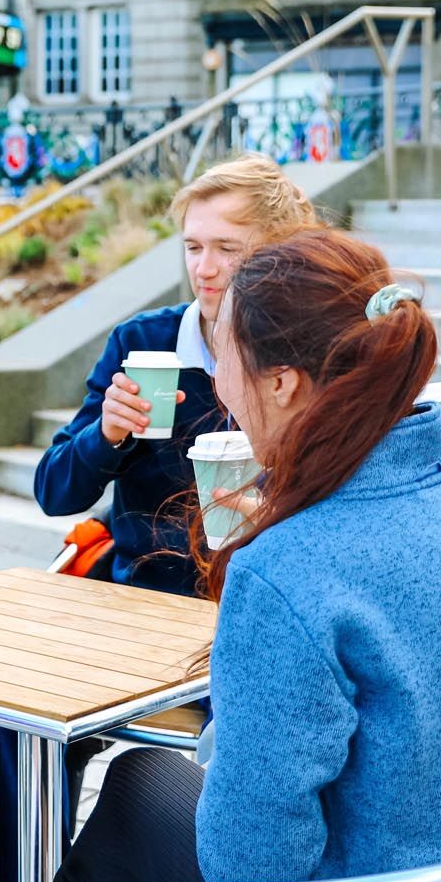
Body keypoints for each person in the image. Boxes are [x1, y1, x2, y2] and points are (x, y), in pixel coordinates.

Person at [52, 229, 441, 882]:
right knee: (139, 790)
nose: (218, 383)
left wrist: (230, 720)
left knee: (128, 816)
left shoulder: (287, 567)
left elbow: (251, 864)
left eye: (223, 357)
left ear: (286, 383)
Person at [31, 154, 318, 594]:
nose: (204, 269)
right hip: (145, 602)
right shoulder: (143, 342)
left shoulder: (311, 352)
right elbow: (55, 492)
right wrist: (106, 435)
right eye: (193, 247)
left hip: (267, 600)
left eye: (227, 249)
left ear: (278, 253)